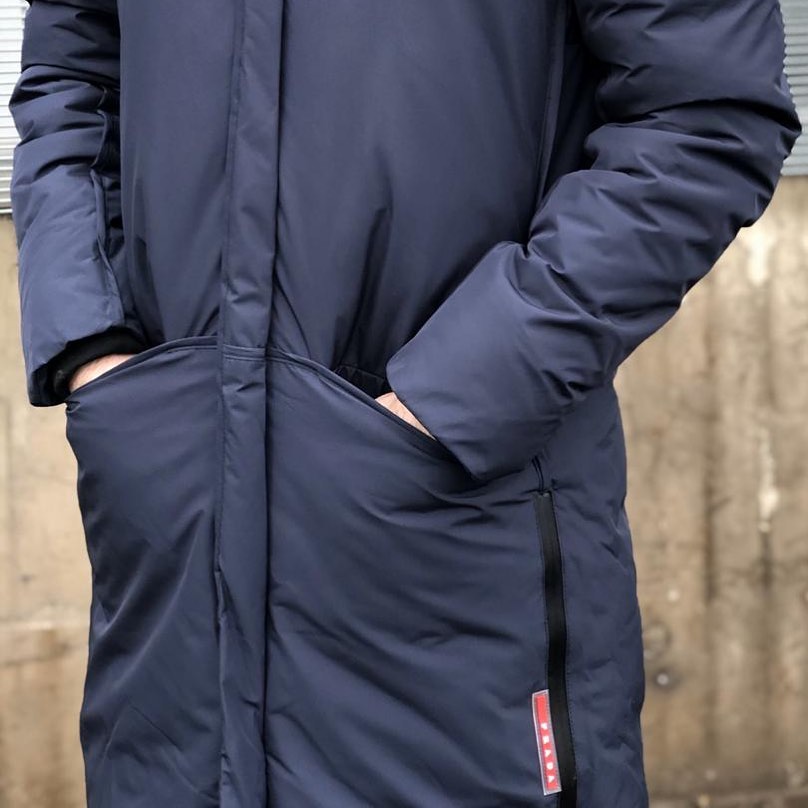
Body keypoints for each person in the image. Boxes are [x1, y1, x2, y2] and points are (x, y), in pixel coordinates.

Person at [9, 0, 801, 806]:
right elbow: (71, 75)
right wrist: (90, 347)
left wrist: (457, 399)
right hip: (173, 562)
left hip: (449, 539)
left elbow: (704, 116)